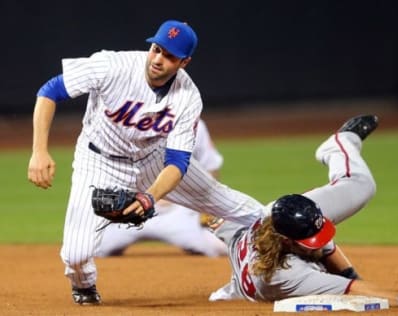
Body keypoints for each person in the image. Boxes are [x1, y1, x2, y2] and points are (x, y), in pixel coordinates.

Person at [27, 20, 264, 305]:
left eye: (170, 56)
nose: (158, 59)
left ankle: (301, 239)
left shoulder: (188, 98)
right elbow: (50, 90)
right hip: (98, 161)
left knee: (234, 205)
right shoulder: (113, 66)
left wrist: (151, 197)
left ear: (184, 62)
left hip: (155, 160)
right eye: (156, 49)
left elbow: (177, 162)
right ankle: (84, 285)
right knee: (76, 255)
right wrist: (39, 151)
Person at [209, 115, 398, 309]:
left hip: (262, 230)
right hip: (262, 280)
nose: (318, 242)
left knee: (359, 186)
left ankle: (340, 144)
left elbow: (222, 223)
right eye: (308, 241)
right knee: (314, 268)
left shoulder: (273, 219)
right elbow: (353, 290)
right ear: (286, 242)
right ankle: (231, 291)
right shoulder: (286, 275)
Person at [97, 119, 227, 257]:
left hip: (180, 213)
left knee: (223, 247)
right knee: (83, 250)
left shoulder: (192, 121)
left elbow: (211, 167)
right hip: (129, 213)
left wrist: (207, 211)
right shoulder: (119, 121)